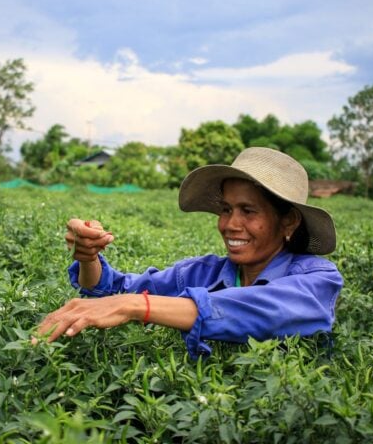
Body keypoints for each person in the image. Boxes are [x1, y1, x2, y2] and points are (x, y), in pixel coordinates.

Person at [35, 147, 343, 359]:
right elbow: (115, 292)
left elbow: (263, 311)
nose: (230, 224)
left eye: (248, 211)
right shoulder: (201, 273)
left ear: (288, 220)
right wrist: (88, 256)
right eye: (226, 209)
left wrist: (132, 306)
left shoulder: (317, 279)